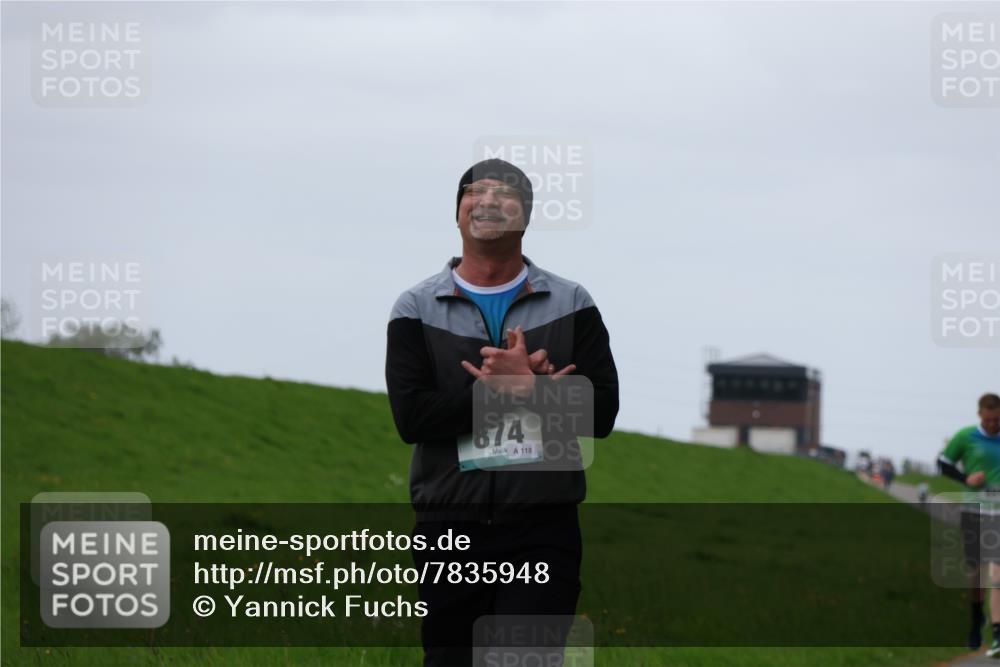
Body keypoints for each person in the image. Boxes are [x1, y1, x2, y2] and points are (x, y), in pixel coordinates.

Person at [385, 158, 620, 666]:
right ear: (458, 213)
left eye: (504, 194)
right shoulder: (415, 308)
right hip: (448, 526)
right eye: (475, 191)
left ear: (526, 216)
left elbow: (602, 413)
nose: (488, 201)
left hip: (543, 525)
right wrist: (511, 391)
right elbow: (412, 418)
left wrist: (529, 389)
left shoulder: (573, 302)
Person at [937, 393, 1000, 655]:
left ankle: (998, 633)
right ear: (979, 415)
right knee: (976, 573)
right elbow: (942, 464)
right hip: (973, 510)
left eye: (997, 420)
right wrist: (966, 478)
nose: (993, 425)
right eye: (989, 421)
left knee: (997, 573)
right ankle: (976, 621)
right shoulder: (965, 436)